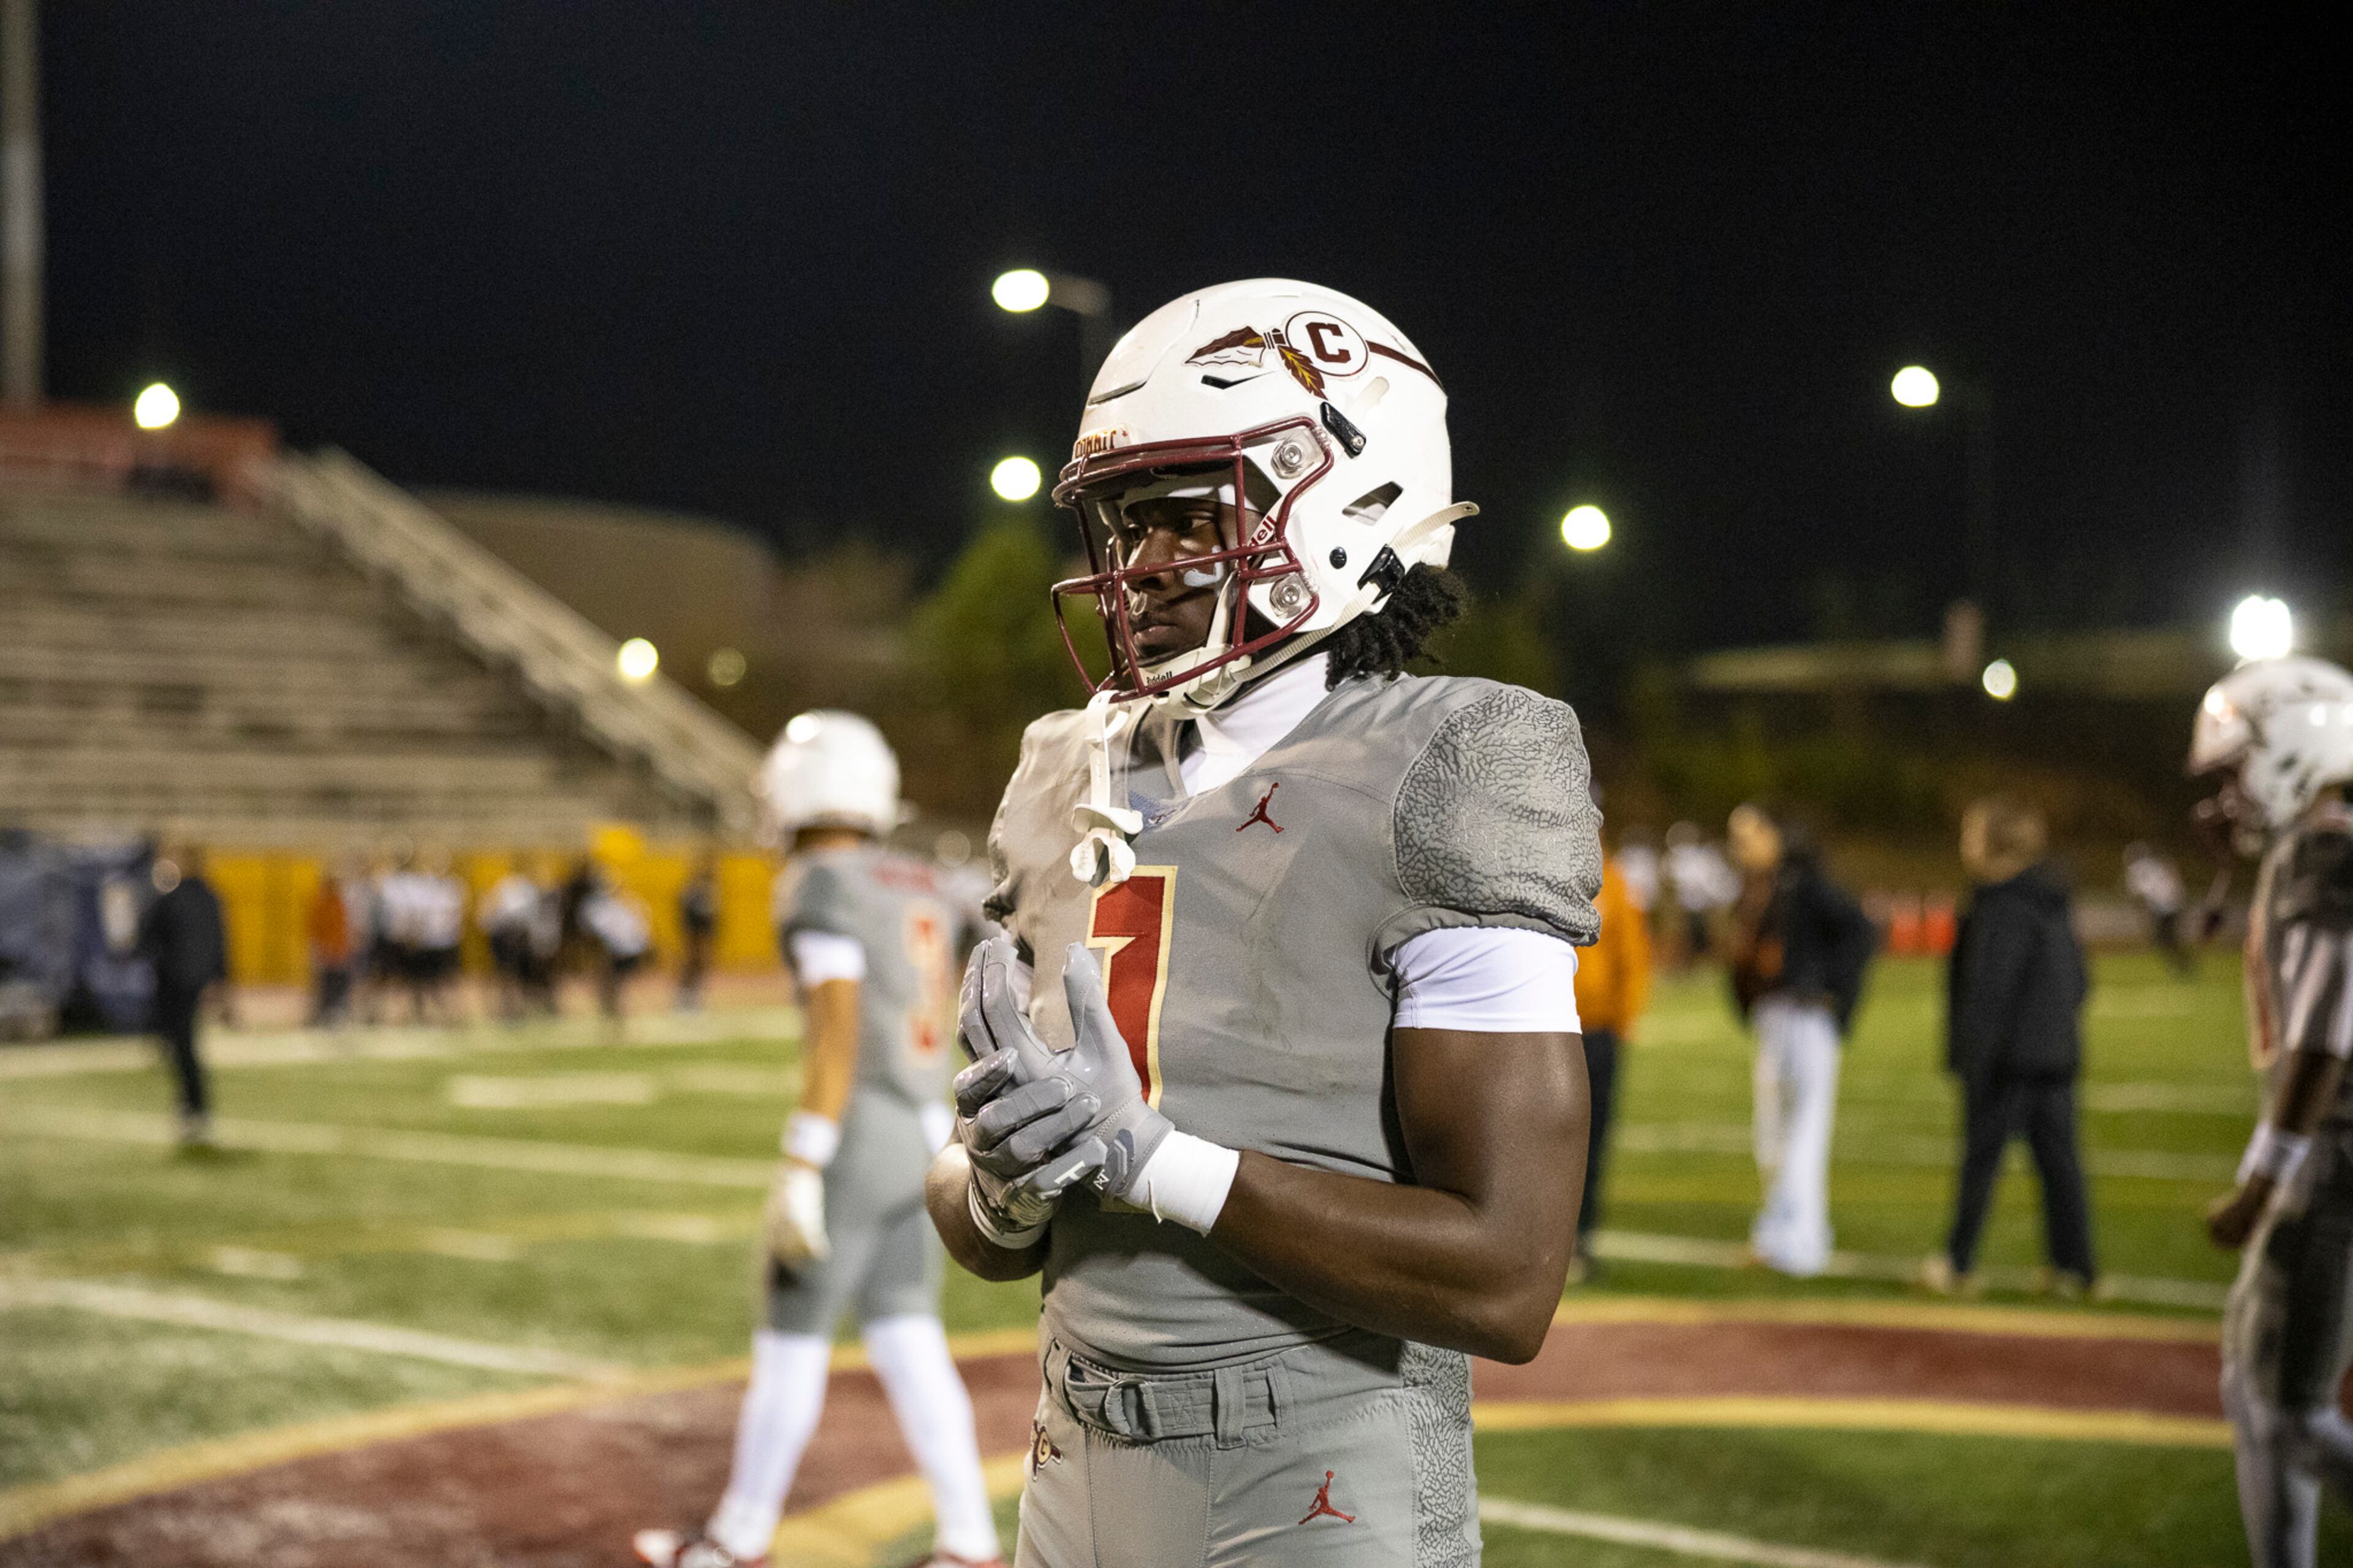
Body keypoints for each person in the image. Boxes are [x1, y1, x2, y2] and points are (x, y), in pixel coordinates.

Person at [927, 279, 1598, 1566]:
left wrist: (1157, 1161)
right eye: (1124, 523)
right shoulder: (1059, 766)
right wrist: (1004, 1189)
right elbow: (973, 1216)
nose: (1141, 564)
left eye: (1188, 514)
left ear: (1353, 496)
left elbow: (1508, 1277)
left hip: (1316, 1464)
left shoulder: (1458, 759)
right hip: (1068, 1450)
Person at [635, 711, 1001, 1568]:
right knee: (906, 1331)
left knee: (792, 1329)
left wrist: (804, 1155)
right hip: (925, 1120)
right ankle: (971, 1539)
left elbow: (838, 1027)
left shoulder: (819, 880)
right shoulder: (921, 876)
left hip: (862, 1125)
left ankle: (736, 1538)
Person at [2193, 656, 2353, 1568]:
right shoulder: (2315, 847)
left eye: (2231, 767)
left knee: (2294, 1411)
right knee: (2251, 1390)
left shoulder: (2324, 850)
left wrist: (2264, 1180)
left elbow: (2328, 1029)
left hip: (2331, 1157)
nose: (2224, 793)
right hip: (2322, 1157)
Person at [1926, 795, 2095, 1297]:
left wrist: (1972, 1057)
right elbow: (2082, 981)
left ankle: (1958, 1263)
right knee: (2059, 1165)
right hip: (2056, 1054)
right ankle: (2075, 1268)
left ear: (1990, 843)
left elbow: (1989, 988)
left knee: (1981, 1161)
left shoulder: (1998, 902)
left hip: (2005, 1059)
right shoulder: (2052, 898)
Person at [1726, 802, 1875, 1278]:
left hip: (1807, 1017)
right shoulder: (1757, 888)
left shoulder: (1804, 883)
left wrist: (1831, 993)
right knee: (1772, 1134)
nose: (1740, 845)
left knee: (1804, 1131)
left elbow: (1861, 931)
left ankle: (1804, 1242)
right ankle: (1776, 1233)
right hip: (1775, 1018)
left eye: (1749, 834)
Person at [1570, 831, 1655, 1280]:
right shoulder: (1529, 865)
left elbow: (1632, 953)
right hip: (1542, 1030)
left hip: (1595, 1029)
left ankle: (1580, 1241)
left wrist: (1623, 1020)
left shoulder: (1614, 878)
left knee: (1592, 1142)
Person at [138, 843, 231, 1149]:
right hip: (196, 981)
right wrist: (221, 982)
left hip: (174, 981)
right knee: (184, 1044)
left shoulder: (172, 898)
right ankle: (193, 1104)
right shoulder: (212, 898)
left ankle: (193, 1105)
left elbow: (145, 938)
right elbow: (221, 944)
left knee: (181, 1046)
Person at [1663, 820, 1737, 968]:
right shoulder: (1676, 860)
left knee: (1707, 938)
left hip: (1703, 908)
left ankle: (1710, 963)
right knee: (1685, 939)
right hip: (1686, 909)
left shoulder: (1702, 857)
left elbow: (1712, 882)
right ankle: (1686, 965)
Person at [481, 863, 546, 1023]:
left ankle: (515, 1008)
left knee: (517, 975)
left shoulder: (519, 888)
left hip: (516, 936)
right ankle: (509, 1008)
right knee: (508, 975)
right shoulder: (511, 888)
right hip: (507, 935)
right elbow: (489, 916)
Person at [582, 877, 653, 1023]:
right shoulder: (621, 906)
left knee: (620, 985)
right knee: (620, 984)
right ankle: (620, 1013)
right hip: (624, 950)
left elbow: (602, 931)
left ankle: (621, 1014)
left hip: (620, 951)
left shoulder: (621, 907)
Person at [2123, 840, 2196, 977]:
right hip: (2173, 904)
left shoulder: (2138, 869)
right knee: (2168, 939)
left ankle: (2183, 966)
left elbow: (2139, 893)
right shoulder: (2156, 865)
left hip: (2163, 908)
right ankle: (2182, 966)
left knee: (2164, 939)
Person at [303, 864, 358, 1028]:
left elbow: (345, 929)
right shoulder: (321, 904)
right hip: (327, 952)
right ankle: (321, 1017)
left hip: (339, 952)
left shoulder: (339, 903)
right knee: (325, 987)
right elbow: (314, 930)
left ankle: (336, 1016)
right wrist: (321, 950)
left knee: (339, 986)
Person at [677, 851, 719, 1011]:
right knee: (693, 963)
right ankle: (685, 998)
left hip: (704, 933)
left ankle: (693, 998)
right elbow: (687, 913)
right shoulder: (694, 890)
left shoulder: (710, 889)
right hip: (695, 933)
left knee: (702, 965)